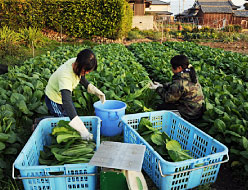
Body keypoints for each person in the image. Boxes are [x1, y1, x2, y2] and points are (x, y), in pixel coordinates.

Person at [45, 49, 106, 140]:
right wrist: (82, 130)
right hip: (54, 98)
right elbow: (67, 102)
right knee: (63, 121)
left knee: (70, 116)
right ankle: (40, 123)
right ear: (78, 65)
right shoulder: (65, 76)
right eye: (86, 71)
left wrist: (93, 89)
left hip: (62, 96)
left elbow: (80, 77)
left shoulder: (77, 63)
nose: (86, 73)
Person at [149, 54, 204, 121]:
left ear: (179, 68)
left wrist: (157, 88)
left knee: (161, 107)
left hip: (189, 113)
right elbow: (176, 86)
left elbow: (168, 98)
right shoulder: (190, 74)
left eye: (172, 67)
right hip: (196, 109)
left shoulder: (180, 82)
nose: (171, 69)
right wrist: (162, 85)